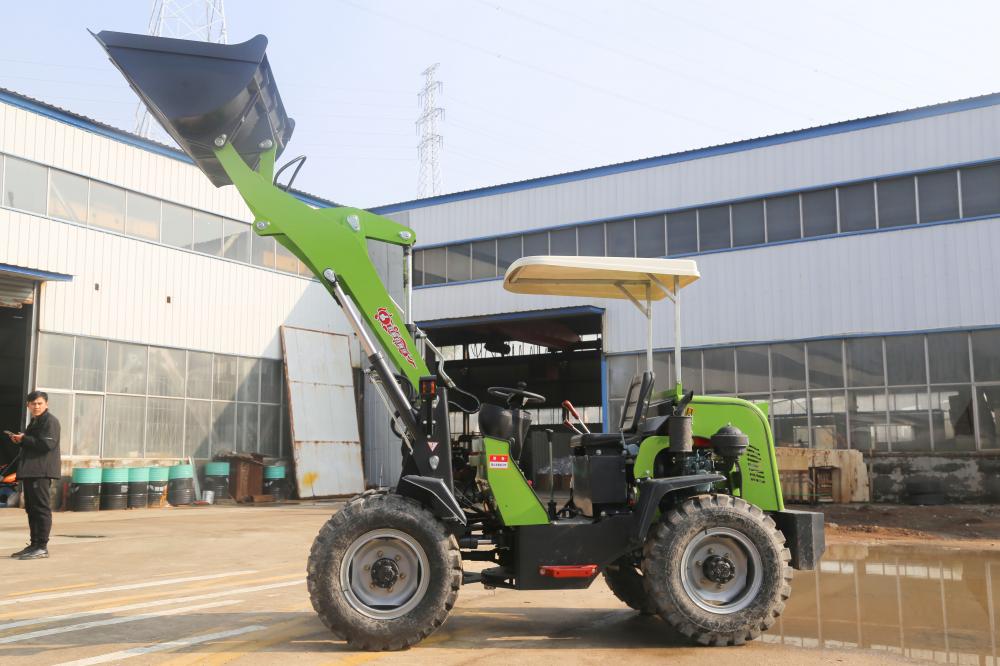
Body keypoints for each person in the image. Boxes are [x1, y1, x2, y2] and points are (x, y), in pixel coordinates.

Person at [7, 391, 61, 560]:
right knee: (31, 509)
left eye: (39, 403)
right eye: (33, 404)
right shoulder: (35, 421)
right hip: (31, 471)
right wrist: (21, 440)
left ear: (46, 404)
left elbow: (47, 444)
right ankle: (34, 544)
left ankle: (42, 546)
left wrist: (24, 439)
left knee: (41, 509)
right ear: (28, 406)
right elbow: (32, 444)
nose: (36, 406)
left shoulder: (50, 421)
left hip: (41, 472)